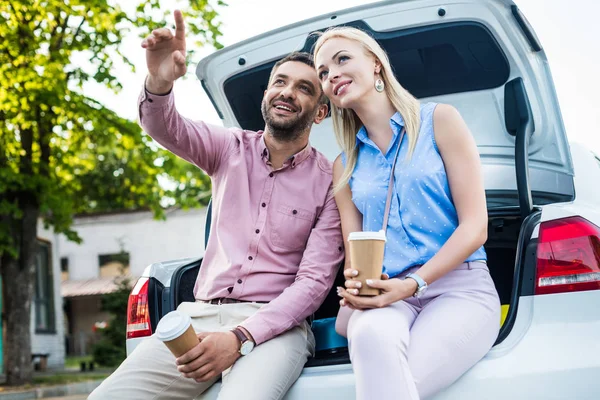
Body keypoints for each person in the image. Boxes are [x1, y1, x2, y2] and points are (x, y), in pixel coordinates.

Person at [89, 11, 344, 400]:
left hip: (276, 327)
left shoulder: (331, 181)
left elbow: (313, 283)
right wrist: (159, 82)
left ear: (321, 111)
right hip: (198, 317)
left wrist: (240, 337)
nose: (288, 92)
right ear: (266, 94)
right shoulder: (228, 147)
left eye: (304, 88)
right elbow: (165, 126)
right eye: (280, 82)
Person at [313, 27, 501, 400]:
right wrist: (357, 287)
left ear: (377, 65)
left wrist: (415, 283)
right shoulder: (345, 165)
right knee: (367, 333)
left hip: (460, 290)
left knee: (394, 387)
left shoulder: (440, 121)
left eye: (342, 59)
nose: (330, 74)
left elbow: (475, 227)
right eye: (321, 72)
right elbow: (357, 252)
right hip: (387, 295)